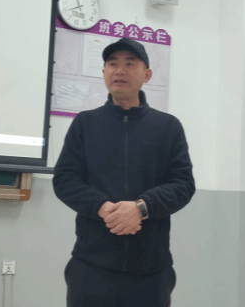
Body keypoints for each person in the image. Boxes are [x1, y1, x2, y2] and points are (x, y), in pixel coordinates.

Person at [53, 37, 195, 307]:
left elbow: (183, 184)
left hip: (151, 269)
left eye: (130, 63)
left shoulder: (168, 127)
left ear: (146, 75)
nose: (119, 70)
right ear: (104, 72)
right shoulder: (85, 123)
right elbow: (65, 179)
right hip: (91, 265)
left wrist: (142, 207)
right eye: (112, 63)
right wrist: (104, 208)